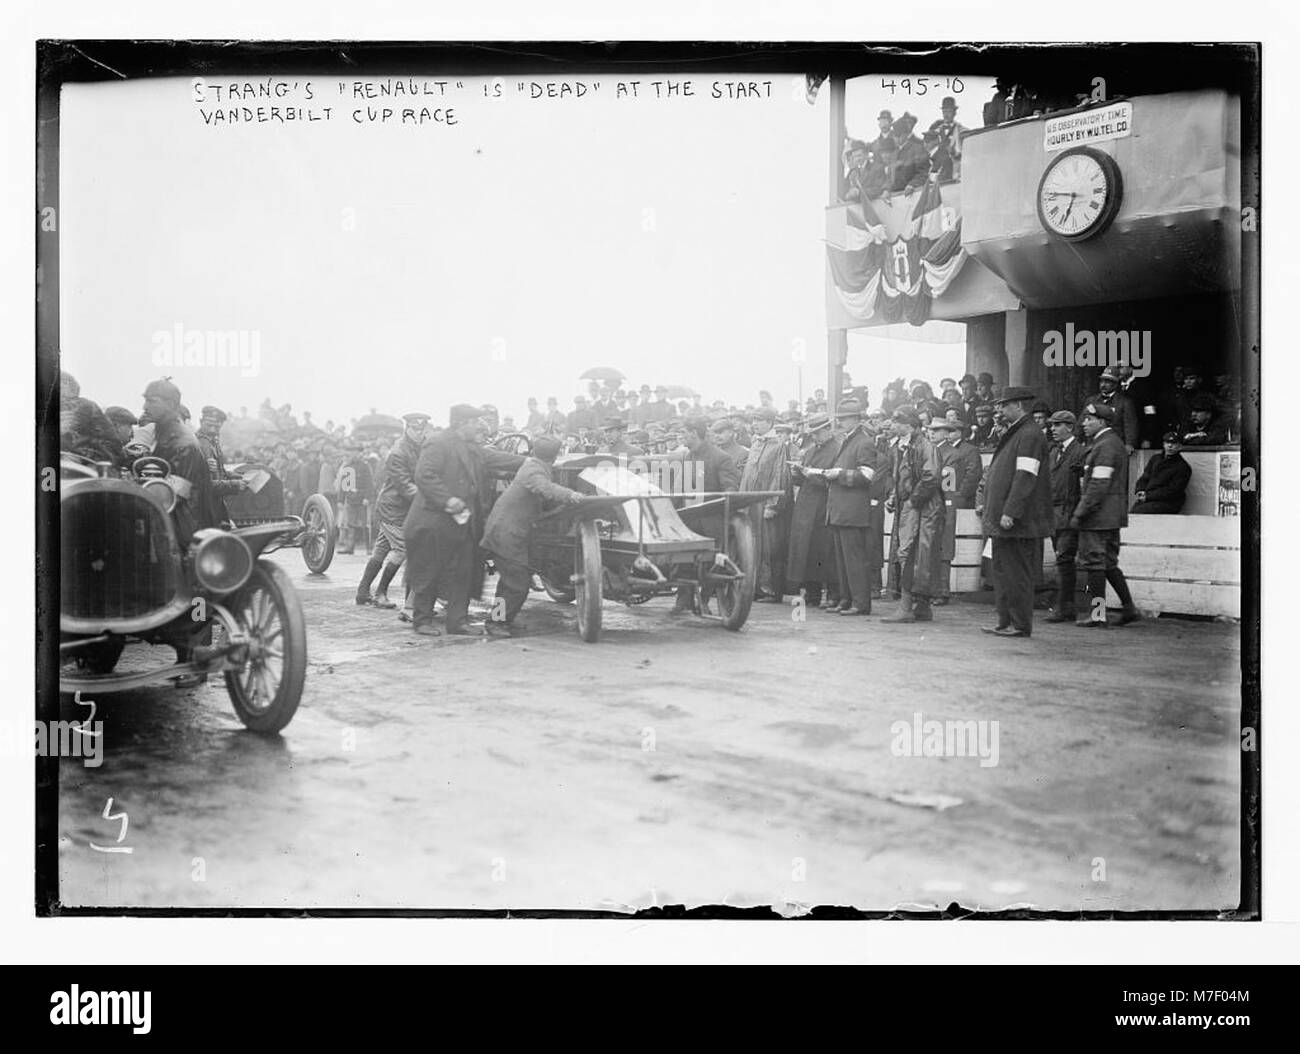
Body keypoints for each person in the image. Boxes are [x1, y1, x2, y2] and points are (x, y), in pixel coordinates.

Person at [404, 405, 526, 636]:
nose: (479, 426)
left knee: (464, 572)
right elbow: (424, 475)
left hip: (463, 524)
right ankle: (422, 621)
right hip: (434, 521)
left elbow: (496, 458)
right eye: (474, 422)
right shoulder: (438, 442)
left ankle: (457, 622)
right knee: (429, 572)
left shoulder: (472, 447)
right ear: (461, 423)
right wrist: (448, 501)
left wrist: (530, 462)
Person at [481, 436, 584, 638]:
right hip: (506, 535)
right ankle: (496, 623)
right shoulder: (533, 469)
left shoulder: (534, 465)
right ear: (554, 458)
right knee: (517, 584)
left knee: (509, 584)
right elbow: (544, 488)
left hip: (506, 532)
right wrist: (571, 495)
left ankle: (500, 619)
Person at [975, 386, 1055, 638]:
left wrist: (1011, 511)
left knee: (1016, 574)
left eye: (1004, 405)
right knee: (1002, 571)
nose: (999, 410)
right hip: (1004, 521)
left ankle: (1019, 624)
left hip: (1017, 521)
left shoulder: (1029, 435)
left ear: (1018, 405)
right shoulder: (1019, 432)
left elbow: (1025, 476)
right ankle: (1005, 621)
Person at [1071, 402, 1141, 628]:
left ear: (1102, 422)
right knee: (1109, 563)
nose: (1084, 423)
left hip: (1098, 517)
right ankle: (1128, 608)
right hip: (1109, 515)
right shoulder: (1108, 443)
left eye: (1088, 420)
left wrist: (1080, 512)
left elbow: (1098, 485)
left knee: (1095, 564)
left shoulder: (1105, 445)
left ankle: (1098, 614)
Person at [356, 412, 428, 607]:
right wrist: (431, 498)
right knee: (402, 548)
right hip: (393, 507)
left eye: (422, 429)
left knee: (381, 549)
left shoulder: (418, 448)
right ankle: (380, 593)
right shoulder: (398, 452)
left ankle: (363, 592)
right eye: (415, 429)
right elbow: (406, 486)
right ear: (407, 428)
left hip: (401, 507)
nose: (419, 433)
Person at [670, 418, 740, 615]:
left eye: (683, 432)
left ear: (694, 432)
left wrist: (726, 497)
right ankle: (684, 600)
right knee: (681, 559)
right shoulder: (687, 457)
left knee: (712, 563)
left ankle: (705, 598)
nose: (680, 436)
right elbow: (679, 489)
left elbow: (730, 488)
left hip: (711, 520)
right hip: (688, 518)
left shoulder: (720, 457)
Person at [880, 407, 944, 623]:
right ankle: (922, 608)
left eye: (896, 421)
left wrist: (911, 501)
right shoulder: (902, 446)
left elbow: (931, 476)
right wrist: (893, 496)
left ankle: (907, 608)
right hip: (914, 505)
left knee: (910, 553)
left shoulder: (925, 446)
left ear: (908, 425)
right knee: (917, 554)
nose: (892, 424)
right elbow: (899, 476)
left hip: (922, 507)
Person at [739, 407, 793, 603]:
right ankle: (755, 588)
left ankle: (771, 590)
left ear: (770, 423)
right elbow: (748, 475)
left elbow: (780, 476)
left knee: (769, 547)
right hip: (751, 503)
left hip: (766, 504)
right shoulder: (755, 443)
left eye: (759, 420)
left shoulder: (778, 445)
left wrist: (773, 505)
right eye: (753, 419)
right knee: (752, 545)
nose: (754, 424)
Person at [786, 413, 840, 607]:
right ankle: (812, 591)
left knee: (823, 550)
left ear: (827, 430)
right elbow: (802, 478)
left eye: (817, 433)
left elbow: (833, 479)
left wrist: (810, 475)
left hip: (823, 504)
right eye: (812, 434)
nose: (814, 437)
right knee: (805, 550)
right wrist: (797, 473)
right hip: (806, 505)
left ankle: (832, 593)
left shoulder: (837, 450)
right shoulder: (810, 451)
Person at [930, 415, 982, 605]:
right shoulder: (931, 451)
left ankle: (942, 591)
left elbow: (948, 485)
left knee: (944, 547)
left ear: (946, 433)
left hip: (945, 504)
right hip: (933, 503)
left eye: (936, 431)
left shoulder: (952, 455)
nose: (931, 434)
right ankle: (932, 589)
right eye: (930, 430)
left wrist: (946, 505)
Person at [1044, 411, 1086, 623]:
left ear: (1069, 427)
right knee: (1062, 559)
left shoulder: (1080, 452)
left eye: (1058, 425)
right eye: (1052, 425)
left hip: (1070, 514)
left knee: (1064, 559)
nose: (1053, 428)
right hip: (1054, 515)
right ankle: (1066, 606)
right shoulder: (1053, 452)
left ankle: (1064, 606)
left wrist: (1077, 514)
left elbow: (1082, 487)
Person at [196, 405, 249, 520]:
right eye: (209, 425)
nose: (212, 430)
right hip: (204, 506)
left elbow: (220, 471)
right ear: (201, 421)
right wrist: (235, 484)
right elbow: (204, 484)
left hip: (215, 501)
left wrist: (238, 476)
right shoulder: (198, 444)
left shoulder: (213, 442)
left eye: (217, 427)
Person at [1131, 431, 1192, 514]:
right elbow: (1145, 477)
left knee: (1138, 512)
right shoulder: (1155, 459)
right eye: (1167, 442)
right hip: (1149, 498)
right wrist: (1140, 490)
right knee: (1133, 513)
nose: (1170, 446)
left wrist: (1148, 496)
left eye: (1174, 443)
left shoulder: (1183, 467)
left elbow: (1173, 491)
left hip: (1168, 502)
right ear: (1163, 444)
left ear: (1180, 447)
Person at [1084, 367, 1139, 455]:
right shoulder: (1091, 401)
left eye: (1107, 382)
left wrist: (1129, 444)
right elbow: (1081, 423)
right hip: (1094, 446)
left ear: (1115, 384)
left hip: (1115, 446)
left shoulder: (1124, 402)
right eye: (1102, 381)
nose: (1103, 385)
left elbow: (1130, 425)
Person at [336, 440, 375, 554]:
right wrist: (340, 500)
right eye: (352, 452)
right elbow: (344, 485)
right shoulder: (347, 467)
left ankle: (369, 548)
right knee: (350, 524)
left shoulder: (365, 466)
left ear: (360, 453)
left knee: (365, 524)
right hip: (351, 499)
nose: (354, 454)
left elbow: (369, 484)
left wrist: (367, 498)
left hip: (363, 499)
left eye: (356, 452)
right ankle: (350, 547)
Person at [928, 96, 968, 181]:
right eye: (944, 111)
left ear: (954, 113)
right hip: (937, 173)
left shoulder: (961, 131)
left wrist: (954, 152)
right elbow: (929, 151)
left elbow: (965, 154)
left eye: (949, 111)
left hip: (954, 173)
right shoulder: (936, 131)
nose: (946, 115)